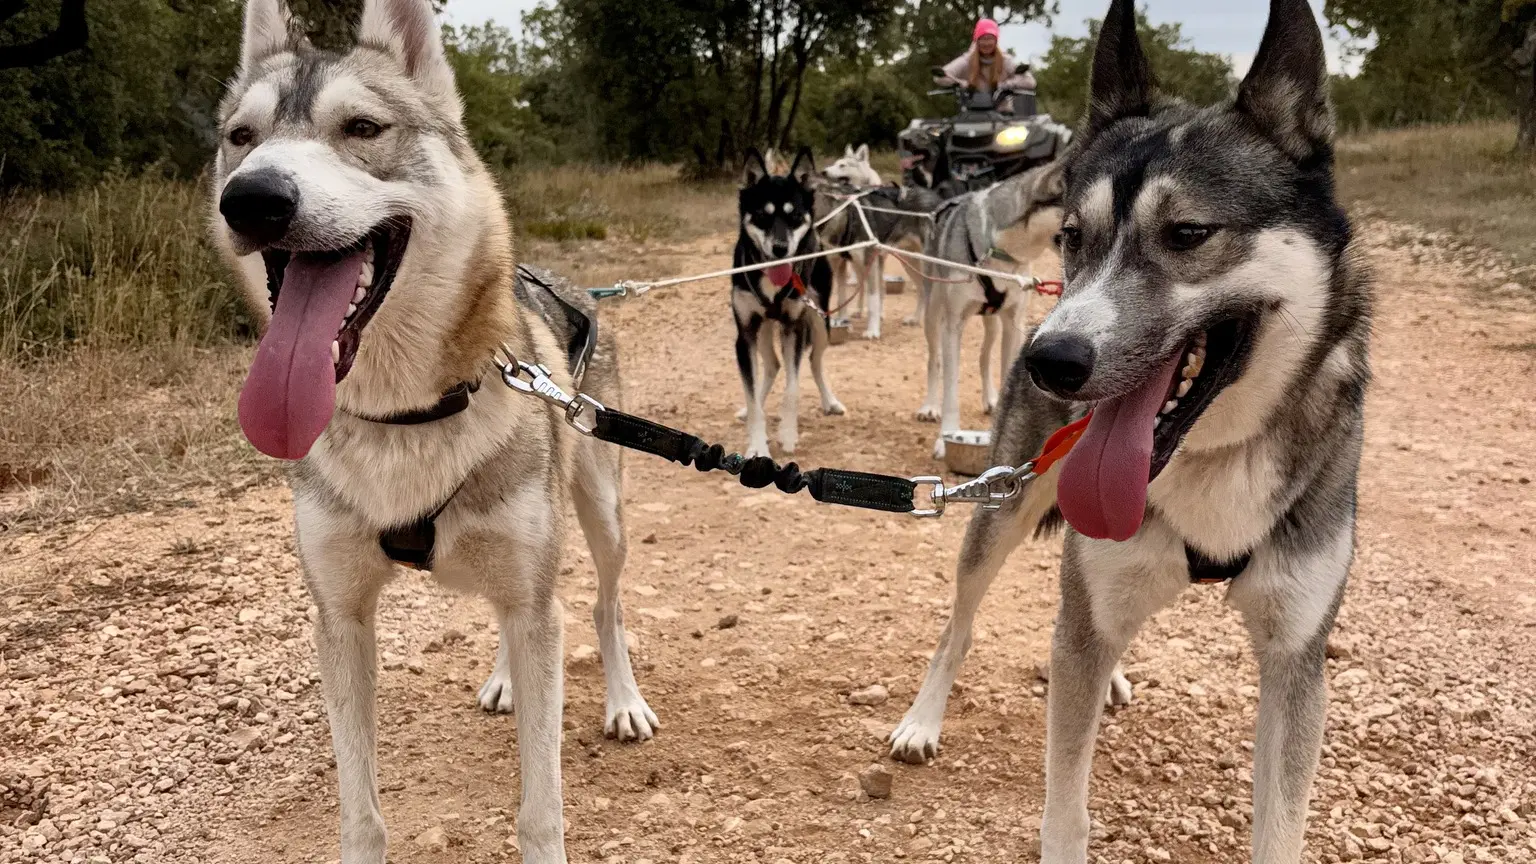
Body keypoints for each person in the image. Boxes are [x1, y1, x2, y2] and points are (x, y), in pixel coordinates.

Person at [937, 18, 1036, 113]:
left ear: (996, 41)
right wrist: (962, 84)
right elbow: (941, 77)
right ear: (977, 41)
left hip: (1002, 115)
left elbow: (1030, 82)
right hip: (971, 114)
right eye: (983, 39)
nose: (986, 43)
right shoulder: (967, 60)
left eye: (990, 38)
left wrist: (1004, 85)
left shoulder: (1006, 60)